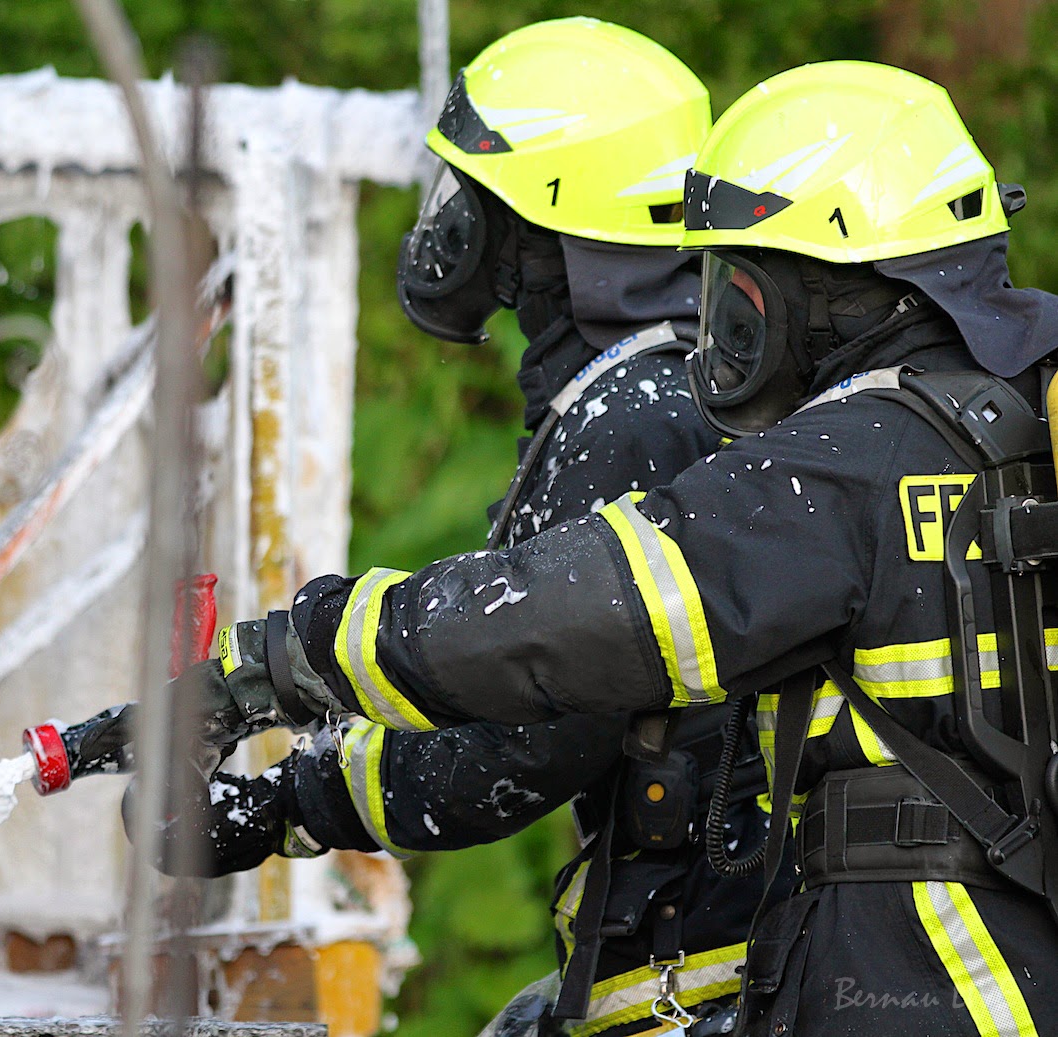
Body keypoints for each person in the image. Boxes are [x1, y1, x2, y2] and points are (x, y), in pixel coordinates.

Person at [165, 60, 1058, 1035]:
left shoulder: (846, 461)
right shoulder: (1013, 424)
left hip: (925, 983)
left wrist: (291, 658)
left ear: (831, 284)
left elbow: (566, 619)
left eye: (741, 277)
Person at [131, 20, 775, 1036]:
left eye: (476, 197)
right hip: (711, 944)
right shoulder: (667, 384)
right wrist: (265, 695)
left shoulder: (631, 417)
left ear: (545, 219)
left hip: (711, 972)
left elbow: (519, 746)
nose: (454, 225)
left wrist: (276, 807)